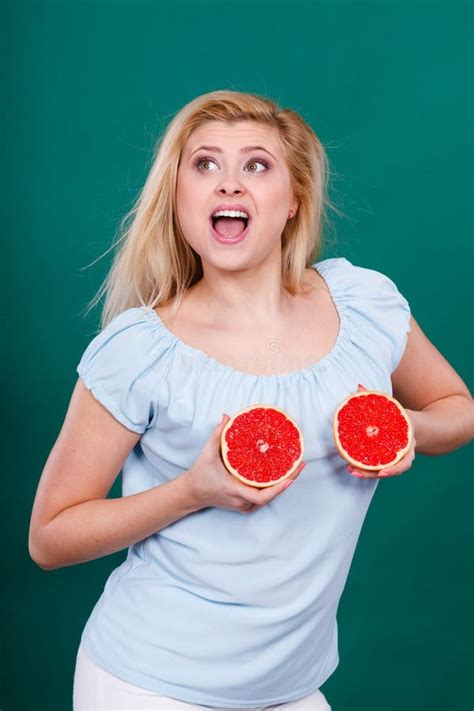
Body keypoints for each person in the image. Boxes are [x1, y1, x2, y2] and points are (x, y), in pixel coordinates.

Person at [28, 90, 473, 711]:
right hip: (148, 684)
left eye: (256, 166)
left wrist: (407, 429)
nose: (228, 184)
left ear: (293, 200)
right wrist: (193, 490)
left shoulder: (363, 306)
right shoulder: (140, 350)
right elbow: (49, 537)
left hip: (291, 689)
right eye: (204, 165)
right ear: (178, 198)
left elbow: (458, 408)